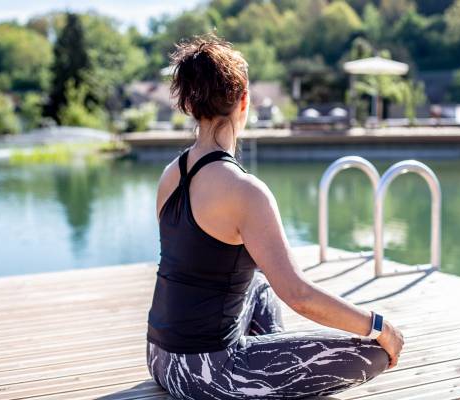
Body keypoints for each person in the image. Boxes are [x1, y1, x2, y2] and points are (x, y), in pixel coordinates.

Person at [146, 34, 404, 400]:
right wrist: (378, 326)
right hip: (205, 375)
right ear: (244, 100)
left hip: (159, 358)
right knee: (373, 354)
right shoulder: (245, 191)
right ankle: (264, 371)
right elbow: (299, 295)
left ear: (189, 104)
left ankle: (269, 362)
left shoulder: (171, 173)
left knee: (260, 286)